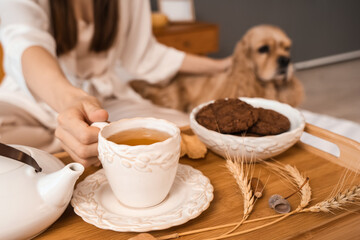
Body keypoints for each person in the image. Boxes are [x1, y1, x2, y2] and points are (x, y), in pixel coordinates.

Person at [0, 0, 232, 167]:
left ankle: (72, 147)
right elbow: (26, 43)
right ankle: (78, 144)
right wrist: (72, 101)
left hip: (104, 102)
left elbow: (146, 53)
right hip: (28, 101)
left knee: (177, 132)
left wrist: (220, 66)